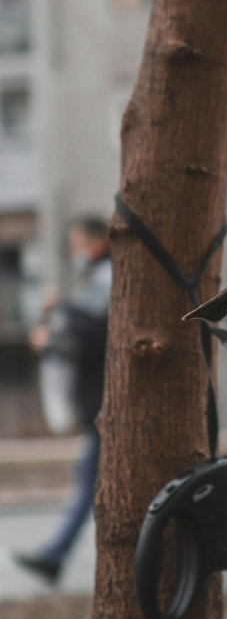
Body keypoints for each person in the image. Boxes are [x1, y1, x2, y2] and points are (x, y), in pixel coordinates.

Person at [15, 216, 112, 585]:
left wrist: (54, 332)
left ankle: (55, 555)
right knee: (88, 481)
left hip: (105, 404)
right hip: (100, 405)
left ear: (96, 243)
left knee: (90, 484)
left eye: (76, 245)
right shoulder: (98, 281)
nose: (74, 253)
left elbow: (89, 339)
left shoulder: (105, 280)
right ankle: (55, 555)